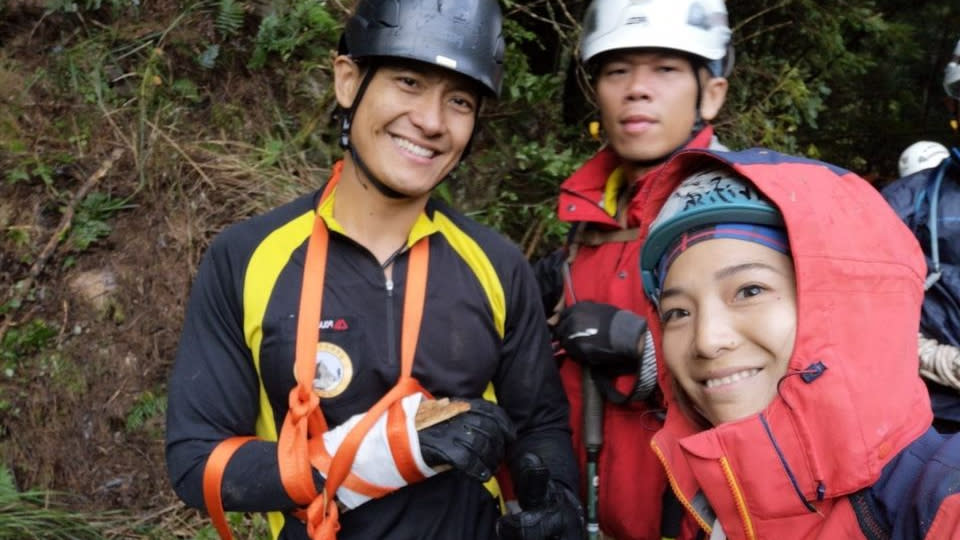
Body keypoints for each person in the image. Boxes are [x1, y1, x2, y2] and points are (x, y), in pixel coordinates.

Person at [164, 1, 584, 539]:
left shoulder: (497, 266)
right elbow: (197, 464)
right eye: (408, 82)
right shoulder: (248, 258)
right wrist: (390, 453)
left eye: (459, 100)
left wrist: (551, 496)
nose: (431, 121)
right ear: (347, 80)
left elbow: (539, 425)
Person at [637, 147, 960, 539]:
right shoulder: (708, 500)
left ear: (850, 303)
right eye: (677, 313)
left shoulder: (938, 501)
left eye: (749, 290)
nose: (706, 340)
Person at [534, 0, 733, 537]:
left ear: (710, 93)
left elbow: (784, 371)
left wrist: (644, 352)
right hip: (586, 504)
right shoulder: (590, 218)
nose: (636, 88)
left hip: (689, 513)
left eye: (665, 69)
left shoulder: (738, 211)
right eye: (618, 69)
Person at [882, 37, 960, 433]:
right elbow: (859, 305)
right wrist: (926, 355)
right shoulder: (906, 202)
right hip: (933, 418)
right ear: (953, 105)